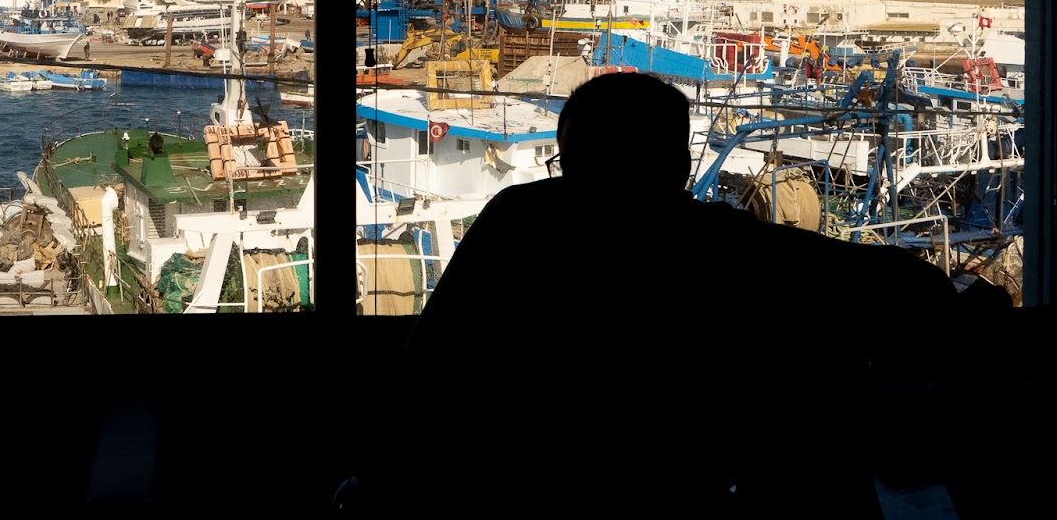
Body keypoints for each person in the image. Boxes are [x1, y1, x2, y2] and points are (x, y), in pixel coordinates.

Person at [396, 71, 970, 514]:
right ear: (677, 165)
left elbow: (427, 366)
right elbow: (903, 284)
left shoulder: (518, 223)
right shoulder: (722, 245)